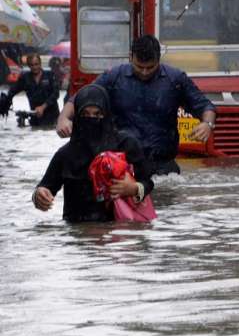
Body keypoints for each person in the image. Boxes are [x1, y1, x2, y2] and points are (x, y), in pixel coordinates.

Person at [56, 35, 216, 175]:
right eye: (139, 67)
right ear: (130, 57)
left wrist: (207, 123)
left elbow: (205, 106)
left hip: (163, 165)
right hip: (123, 164)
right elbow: (81, 98)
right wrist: (63, 118)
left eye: (150, 67)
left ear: (159, 60)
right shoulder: (114, 77)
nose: (145, 72)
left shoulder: (175, 79)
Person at [33, 84, 154, 223]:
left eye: (98, 114)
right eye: (85, 114)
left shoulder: (126, 145)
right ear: (77, 117)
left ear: (107, 114)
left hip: (117, 233)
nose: (91, 119)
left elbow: (148, 183)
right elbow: (44, 188)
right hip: (77, 232)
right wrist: (39, 196)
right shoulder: (66, 154)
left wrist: (133, 189)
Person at [5, 53, 60, 126]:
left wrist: (43, 107)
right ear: (28, 66)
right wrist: (5, 101)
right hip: (35, 116)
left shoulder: (50, 75)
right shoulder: (25, 78)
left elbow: (56, 94)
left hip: (52, 117)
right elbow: (13, 91)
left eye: (36, 64)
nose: (34, 67)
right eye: (32, 65)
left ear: (40, 64)